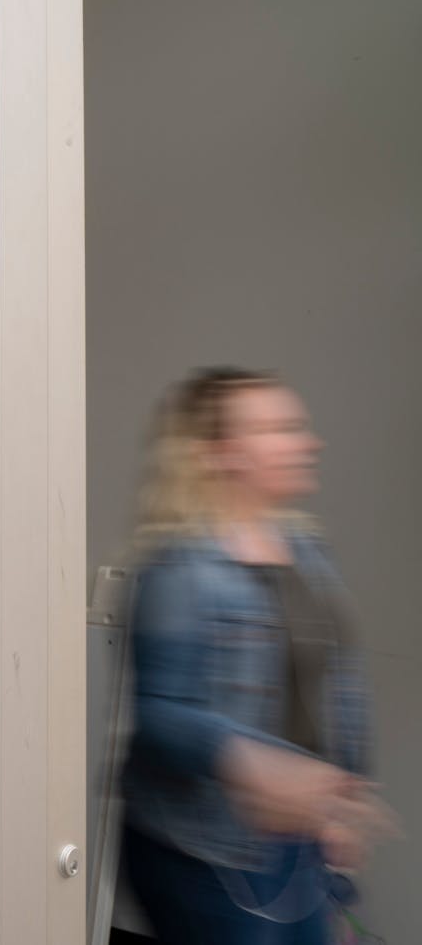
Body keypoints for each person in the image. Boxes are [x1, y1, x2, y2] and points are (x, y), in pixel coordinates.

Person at [120, 368, 393, 945]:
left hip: (300, 841)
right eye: (280, 428)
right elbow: (159, 716)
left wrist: (342, 798)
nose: (307, 442)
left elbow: (339, 685)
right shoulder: (179, 567)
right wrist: (250, 762)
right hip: (205, 850)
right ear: (222, 454)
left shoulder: (309, 552)